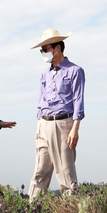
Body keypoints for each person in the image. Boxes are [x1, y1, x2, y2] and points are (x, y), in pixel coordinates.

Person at [28, 29, 85, 201]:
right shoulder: (44, 74)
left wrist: (75, 129)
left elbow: (78, 102)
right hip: (43, 124)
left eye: (45, 49)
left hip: (63, 124)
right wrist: (39, 126)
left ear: (57, 48)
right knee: (39, 172)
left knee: (66, 173)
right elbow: (40, 101)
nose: (43, 53)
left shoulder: (75, 71)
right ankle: (31, 212)